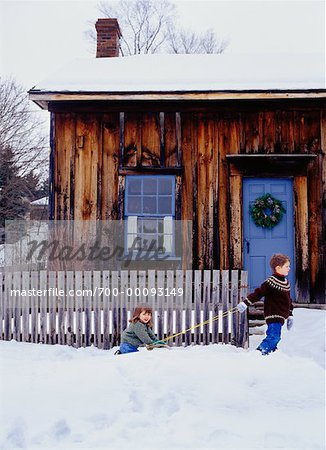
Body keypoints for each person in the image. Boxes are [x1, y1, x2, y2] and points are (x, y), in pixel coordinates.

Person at [237, 253, 294, 355]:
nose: (289, 268)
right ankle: (260, 353)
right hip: (273, 314)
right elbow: (258, 293)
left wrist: (290, 315)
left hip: (281, 316)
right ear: (278, 268)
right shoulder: (270, 282)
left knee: (275, 337)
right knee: (274, 337)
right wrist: (245, 303)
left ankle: (271, 354)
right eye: (287, 266)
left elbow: (288, 300)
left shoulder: (286, 283)